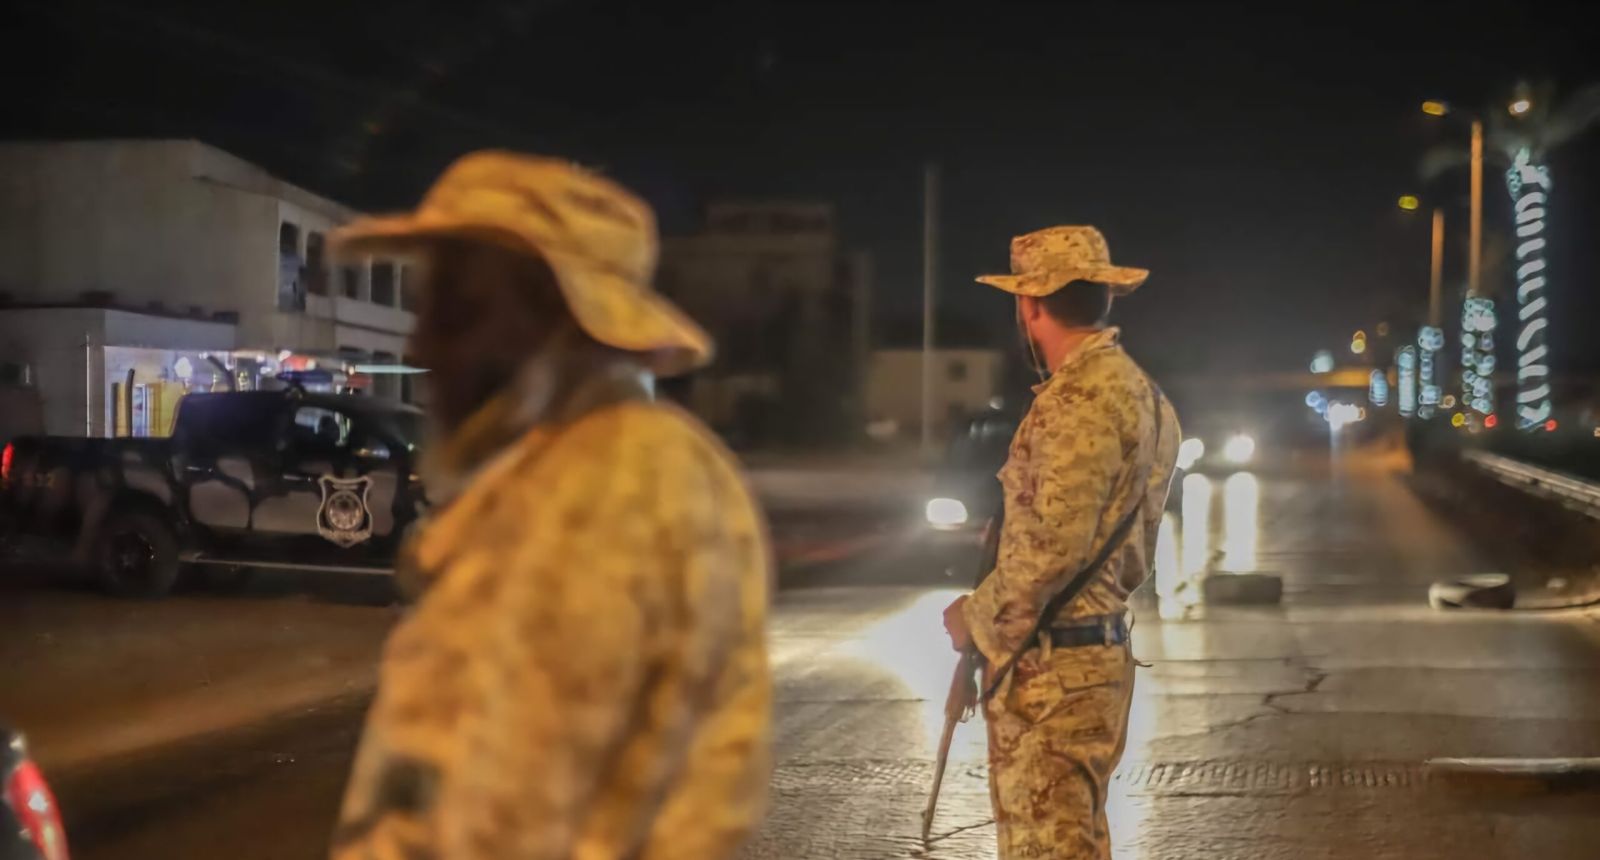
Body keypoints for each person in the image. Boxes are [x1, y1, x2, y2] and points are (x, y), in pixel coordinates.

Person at [327, 152, 772, 860]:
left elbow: (503, 820)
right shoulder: (577, 469)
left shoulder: (610, 484)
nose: (422, 345)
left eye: (460, 313)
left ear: (556, 319)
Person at [942, 225, 1179, 859]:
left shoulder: (1079, 401)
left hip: (1054, 673)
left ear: (1030, 304)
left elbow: (1051, 548)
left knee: (1046, 846)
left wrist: (977, 618)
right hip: (1090, 658)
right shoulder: (1143, 395)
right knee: (1074, 841)